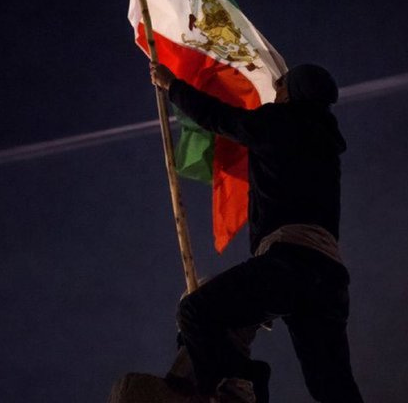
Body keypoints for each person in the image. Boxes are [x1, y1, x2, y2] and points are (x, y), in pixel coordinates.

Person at [150, 61, 365, 403]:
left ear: (293, 93)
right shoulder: (326, 145)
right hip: (329, 274)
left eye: (281, 86)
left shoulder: (281, 122)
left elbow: (219, 117)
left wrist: (173, 86)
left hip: (289, 262)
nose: (275, 91)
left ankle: (235, 384)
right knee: (332, 386)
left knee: (195, 312)